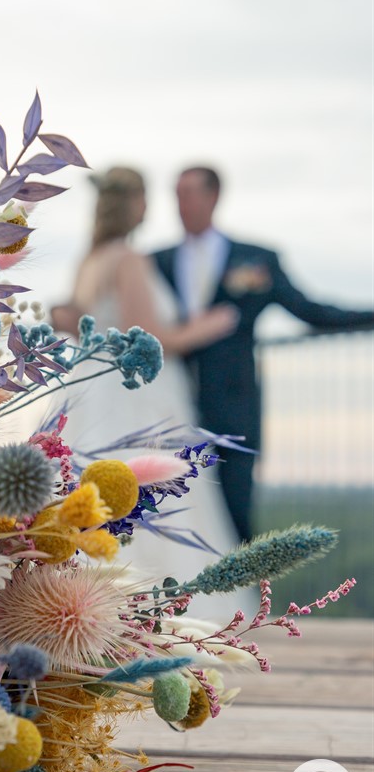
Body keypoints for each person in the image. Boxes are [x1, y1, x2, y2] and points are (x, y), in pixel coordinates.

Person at [51, 167, 254, 620]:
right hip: (137, 396)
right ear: (134, 204)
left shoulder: (91, 258)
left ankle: (95, 602)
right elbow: (150, 337)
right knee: (155, 490)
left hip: (94, 392)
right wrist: (210, 325)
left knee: (100, 489)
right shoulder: (127, 260)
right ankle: (152, 603)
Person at [153, 166, 374, 542]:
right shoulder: (157, 261)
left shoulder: (256, 259)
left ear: (214, 196)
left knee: (237, 519)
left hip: (235, 409)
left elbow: (311, 311)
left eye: (189, 193)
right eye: (176, 194)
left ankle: (246, 600)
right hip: (168, 408)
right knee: (172, 517)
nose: (181, 203)